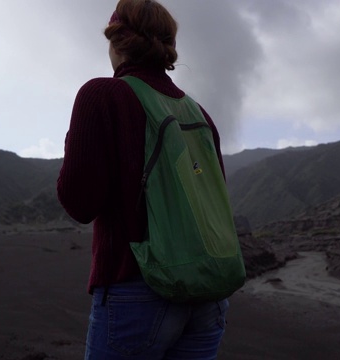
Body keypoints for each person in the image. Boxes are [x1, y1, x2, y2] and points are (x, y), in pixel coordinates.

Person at [57, 0, 230, 358]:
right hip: (209, 296)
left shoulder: (102, 95)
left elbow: (79, 203)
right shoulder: (200, 114)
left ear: (117, 42)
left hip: (136, 290)